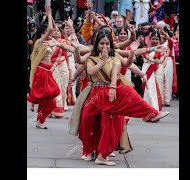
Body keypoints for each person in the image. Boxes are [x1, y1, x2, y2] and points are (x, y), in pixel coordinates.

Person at [71, 30, 169, 166]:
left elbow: (127, 64)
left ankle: (102, 154)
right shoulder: (92, 56)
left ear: (111, 44)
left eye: (107, 43)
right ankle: (89, 151)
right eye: (101, 43)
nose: (104, 46)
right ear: (97, 43)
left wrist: (133, 52)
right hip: (95, 94)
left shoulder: (114, 55)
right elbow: (86, 67)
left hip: (110, 93)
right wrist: (100, 61)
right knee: (88, 123)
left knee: (114, 122)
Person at [27, 6, 61, 129]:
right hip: (41, 71)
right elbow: (52, 28)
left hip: (48, 71)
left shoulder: (49, 41)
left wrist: (48, 17)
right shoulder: (40, 42)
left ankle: (40, 121)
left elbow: (55, 29)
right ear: (43, 33)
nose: (51, 32)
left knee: (49, 98)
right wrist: (50, 15)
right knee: (51, 92)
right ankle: (31, 100)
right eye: (47, 31)